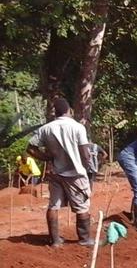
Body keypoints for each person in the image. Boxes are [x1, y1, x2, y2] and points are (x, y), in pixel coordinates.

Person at [27, 98, 96, 248]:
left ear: (55, 113)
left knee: (54, 205)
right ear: (69, 110)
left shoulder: (46, 128)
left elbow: (31, 149)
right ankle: (85, 239)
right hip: (75, 173)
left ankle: (55, 240)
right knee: (82, 206)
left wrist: (47, 158)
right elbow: (85, 153)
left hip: (56, 172)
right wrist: (88, 166)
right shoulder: (77, 127)